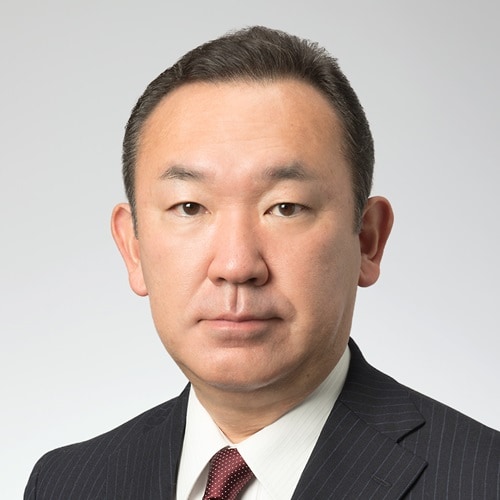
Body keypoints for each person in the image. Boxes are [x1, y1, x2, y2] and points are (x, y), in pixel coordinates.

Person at [25, 26, 499, 499]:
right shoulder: (66, 483)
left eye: (285, 207)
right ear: (133, 247)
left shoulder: (482, 480)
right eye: (189, 207)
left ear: (368, 240)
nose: (236, 265)